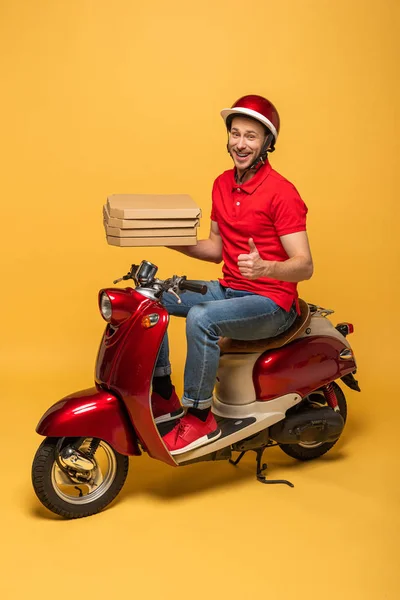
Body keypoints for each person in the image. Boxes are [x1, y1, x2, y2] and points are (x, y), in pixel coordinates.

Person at [151, 94, 313, 456]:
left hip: (272, 303)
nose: (241, 144)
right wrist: (166, 239)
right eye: (236, 134)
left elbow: (305, 264)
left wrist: (266, 267)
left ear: (267, 144)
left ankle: (199, 415)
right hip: (230, 290)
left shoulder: (282, 193)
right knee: (152, 297)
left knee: (201, 318)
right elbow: (215, 249)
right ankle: (163, 393)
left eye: (251, 137)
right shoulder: (222, 184)